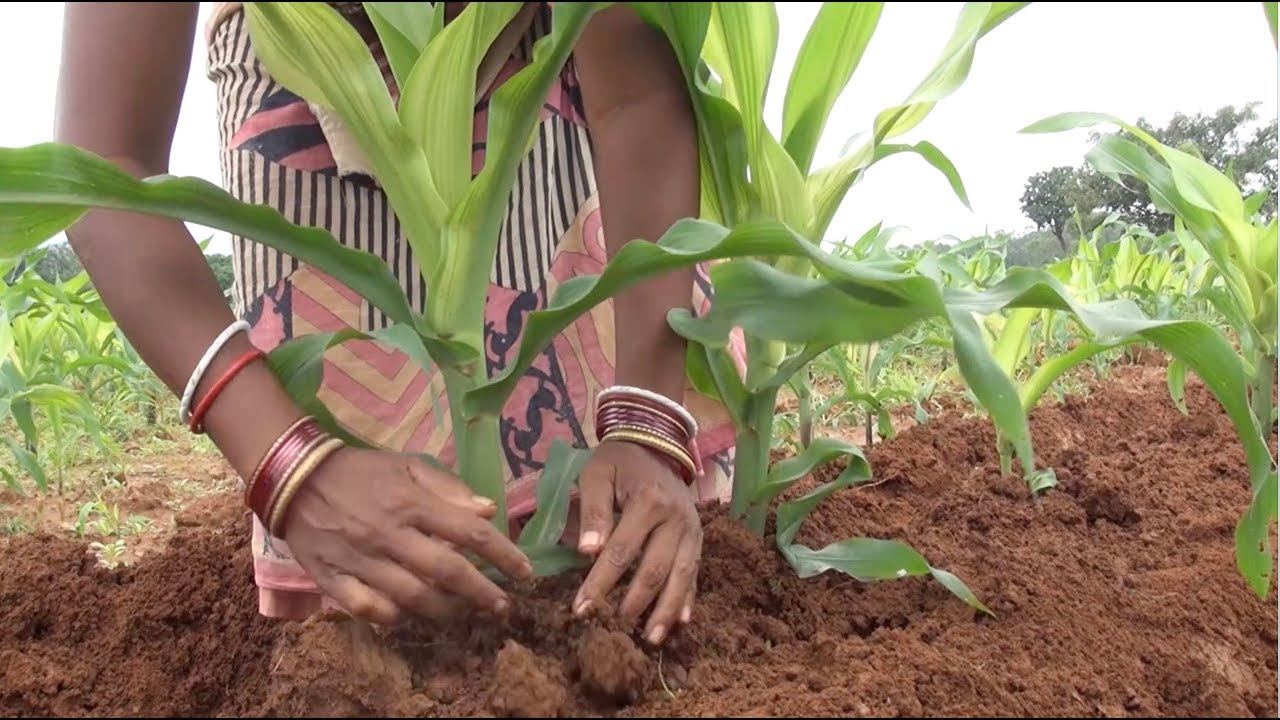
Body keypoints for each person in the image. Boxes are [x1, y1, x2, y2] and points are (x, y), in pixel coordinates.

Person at [54, 1, 744, 646]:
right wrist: (289, 463)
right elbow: (101, 167)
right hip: (305, 112)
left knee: (644, 580)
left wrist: (648, 422)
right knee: (373, 637)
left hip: (557, 117)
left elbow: (636, 94)